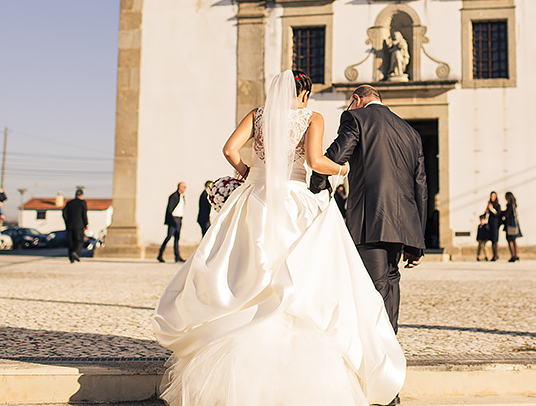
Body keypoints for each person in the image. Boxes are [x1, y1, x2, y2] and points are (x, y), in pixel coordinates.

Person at [154, 71, 404, 406]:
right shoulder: (311, 117)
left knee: (246, 274)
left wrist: (248, 174)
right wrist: (344, 170)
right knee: (301, 276)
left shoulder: (257, 115)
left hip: (254, 198)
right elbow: (316, 162)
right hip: (293, 200)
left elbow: (229, 149)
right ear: (304, 94)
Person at [312, 84, 428, 344]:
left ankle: (381, 359)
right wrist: (416, 242)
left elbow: (337, 155)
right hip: (402, 225)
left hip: (370, 218)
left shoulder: (356, 118)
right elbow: (421, 186)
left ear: (356, 99)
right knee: (390, 281)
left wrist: (316, 187)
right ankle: (389, 354)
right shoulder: (409, 131)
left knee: (373, 289)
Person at [158, 182, 187, 263]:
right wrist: (171, 220)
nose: (185, 189)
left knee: (177, 238)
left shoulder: (182, 197)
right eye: (183, 187)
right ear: (179, 187)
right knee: (169, 236)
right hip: (174, 219)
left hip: (179, 218)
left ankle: (177, 256)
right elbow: (170, 209)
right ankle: (160, 254)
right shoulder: (174, 196)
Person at [62, 189, 88, 263]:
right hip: (79, 226)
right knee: (79, 241)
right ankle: (76, 253)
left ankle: (71, 257)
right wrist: (86, 224)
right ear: (82, 195)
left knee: (71, 241)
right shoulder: (82, 203)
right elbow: (84, 214)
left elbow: (64, 214)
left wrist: (67, 222)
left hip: (70, 226)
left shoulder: (69, 203)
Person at [503, 191, 521, 262]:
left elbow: (507, 214)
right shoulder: (514, 204)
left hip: (510, 223)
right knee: (514, 239)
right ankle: (516, 255)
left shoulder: (510, 205)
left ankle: (513, 255)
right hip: (514, 223)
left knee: (509, 239)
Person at [484, 191, 502, 262]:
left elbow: (498, 214)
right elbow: (486, 213)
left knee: (495, 240)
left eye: (493, 196)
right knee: (492, 240)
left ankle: (496, 255)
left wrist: (492, 210)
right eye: (491, 196)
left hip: (495, 224)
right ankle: (493, 254)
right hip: (490, 223)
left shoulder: (498, 205)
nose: (492, 198)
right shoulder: (489, 204)